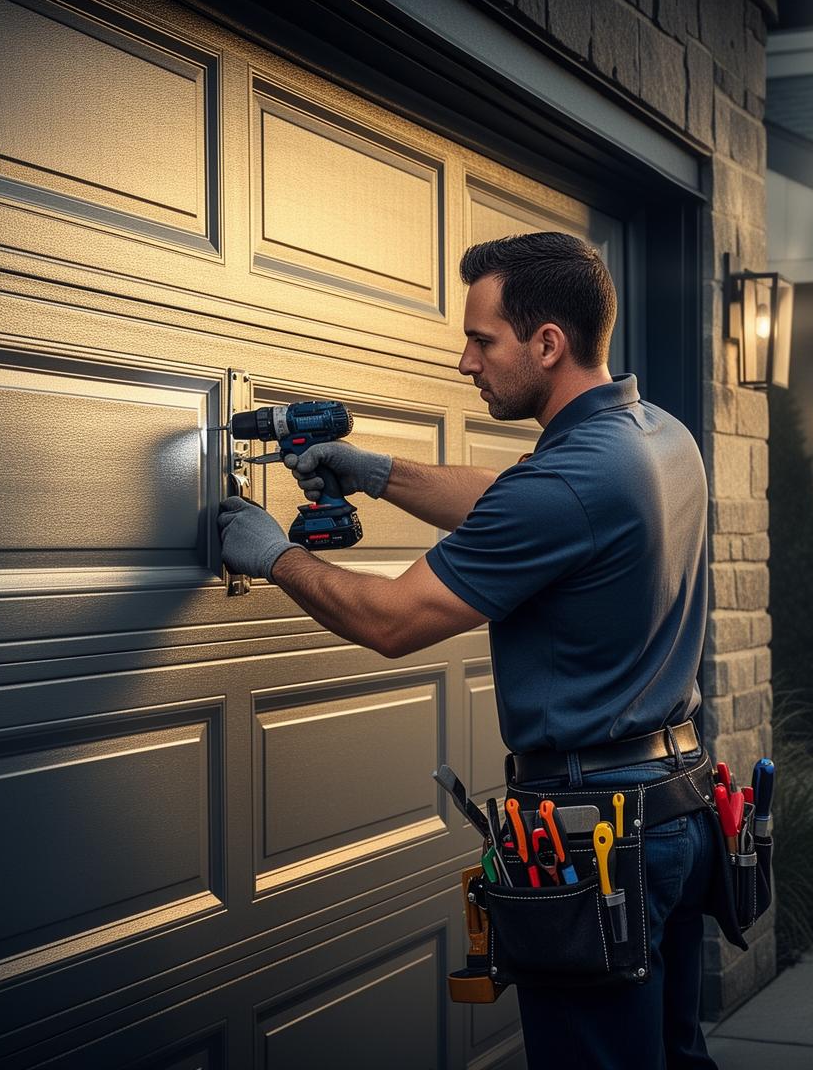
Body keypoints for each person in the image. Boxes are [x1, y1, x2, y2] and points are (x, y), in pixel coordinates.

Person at [219, 231, 717, 1069]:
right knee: (674, 1056)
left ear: (547, 342)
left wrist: (274, 555)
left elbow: (392, 620)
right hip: (676, 808)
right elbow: (515, 500)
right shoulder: (655, 434)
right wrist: (375, 471)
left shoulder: (567, 484)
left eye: (482, 340)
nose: (464, 362)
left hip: (595, 837)